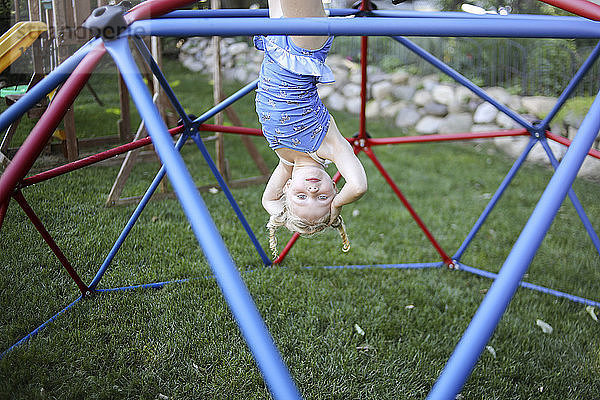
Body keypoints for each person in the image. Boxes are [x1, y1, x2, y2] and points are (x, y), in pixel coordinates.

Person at [255, 0, 368, 258]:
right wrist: (336, 209)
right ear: (335, 190)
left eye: (301, 197)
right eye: (323, 199)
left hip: (276, 45)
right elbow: (359, 187)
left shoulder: (286, 161)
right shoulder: (330, 148)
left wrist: (282, 215)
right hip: (303, 48)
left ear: (287, 188)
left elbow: (268, 201)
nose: (313, 192)